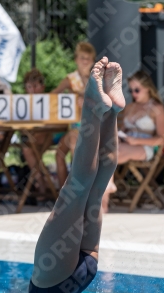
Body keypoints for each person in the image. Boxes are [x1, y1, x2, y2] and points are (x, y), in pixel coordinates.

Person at [22, 56, 125, 293]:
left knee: (97, 185)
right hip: (51, 283)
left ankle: (112, 112)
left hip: (83, 276)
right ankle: (92, 106)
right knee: (79, 185)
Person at [52, 42, 96, 188]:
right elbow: (53, 96)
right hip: (74, 126)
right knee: (59, 154)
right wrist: (67, 97)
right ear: (76, 59)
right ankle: (64, 191)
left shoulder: (96, 80)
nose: (85, 61)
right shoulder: (70, 79)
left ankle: (75, 191)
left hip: (93, 128)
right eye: (82, 58)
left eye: (88, 58)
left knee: (73, 142)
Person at [117, 70, 164, 165]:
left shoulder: (156, 108)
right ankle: (108, 180)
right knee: (104, 149)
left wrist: (136, 141)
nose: (133, 94)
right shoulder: (129, 107)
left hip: (145, 147)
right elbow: (122, 132)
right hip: (125, 144)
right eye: (131, 90)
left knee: (115, 151)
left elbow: (161, 140)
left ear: (147, 88)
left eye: (137, 90)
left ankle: (105, 180)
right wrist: (118, 137)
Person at [21, 69, 53, 199]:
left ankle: (41, 183)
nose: (33, 90)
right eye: (29, 87)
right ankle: (43, 182)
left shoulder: (49, 101)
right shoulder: (23, 103)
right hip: (31, 138)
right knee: (28, 148)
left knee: (28, 148)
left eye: (35, 86)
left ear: (42, 87)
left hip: (50, 136)